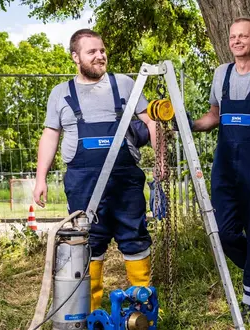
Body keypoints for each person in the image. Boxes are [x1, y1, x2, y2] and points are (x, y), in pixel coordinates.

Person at [33, 28, 163, 313]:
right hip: (82, 181)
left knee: (135, 238)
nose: (100, 56)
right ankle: (88, 312)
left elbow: (151, 122)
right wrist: (40, 178)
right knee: (88, 243)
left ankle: (142, 311)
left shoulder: (125, 85)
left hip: (125, 179)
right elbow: (50, 135)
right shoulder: (61, 94)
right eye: (92, 52)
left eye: (102, 50)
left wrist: (161, 159)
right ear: (75, 57)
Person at [188, 16, 250, 323]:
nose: (237, 41)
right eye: (233, 37)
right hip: (226, 164)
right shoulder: (222, 74)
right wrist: (186, 125)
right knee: (224, 232)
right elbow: (214, 115)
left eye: (243, 36)